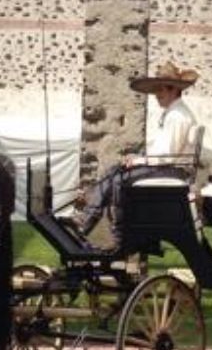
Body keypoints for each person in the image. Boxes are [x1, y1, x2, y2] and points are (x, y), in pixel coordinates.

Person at [71, 61, 201, 250]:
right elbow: (161, 151)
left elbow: (166, 156)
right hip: (168, 167)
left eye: (160, 90)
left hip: (172, 170)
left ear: (173, 90)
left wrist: (139, 160)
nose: (156, 94)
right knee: (114, 171)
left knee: (118, 179)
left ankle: (115, 234)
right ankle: (88, 220)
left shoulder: (177, 116)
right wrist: (137, 158)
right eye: (156, 90)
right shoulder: (173, 113)